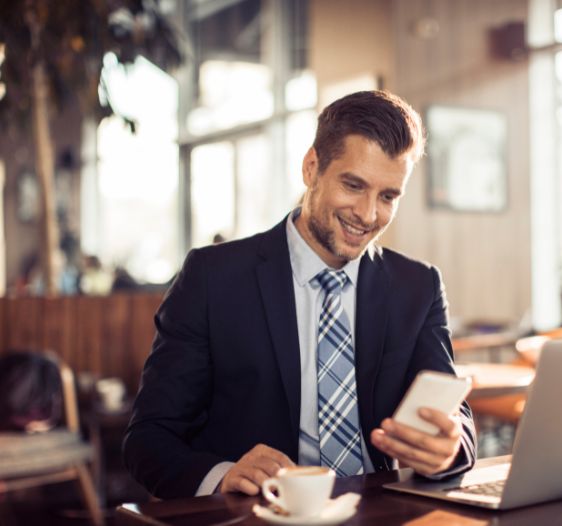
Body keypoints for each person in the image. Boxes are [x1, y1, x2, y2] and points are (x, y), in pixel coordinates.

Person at [123, 90, 477, 499]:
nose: (367, 214)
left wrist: (449, 448)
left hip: (379, 512)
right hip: (259, 514)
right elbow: (148, 440)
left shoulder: (418, 286)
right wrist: (223, 475)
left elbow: (456, 420)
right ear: (311, 168)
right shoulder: (212, 279)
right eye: (353, 185)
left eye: (387, 196)